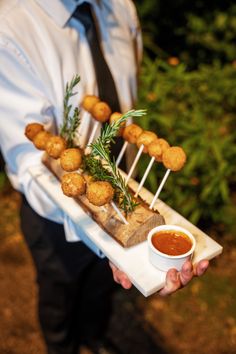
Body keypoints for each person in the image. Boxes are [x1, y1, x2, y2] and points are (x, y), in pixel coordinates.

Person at [0, 1, 209, 353]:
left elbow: (129, 92)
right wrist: (102, 234)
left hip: (126, 190)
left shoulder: (122, 6)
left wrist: (128, 245)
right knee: (59, 291)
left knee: (102, 289)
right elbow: (29, 162)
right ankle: (61, 345)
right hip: (55, 212)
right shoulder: (10, 28)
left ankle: (94, 338)